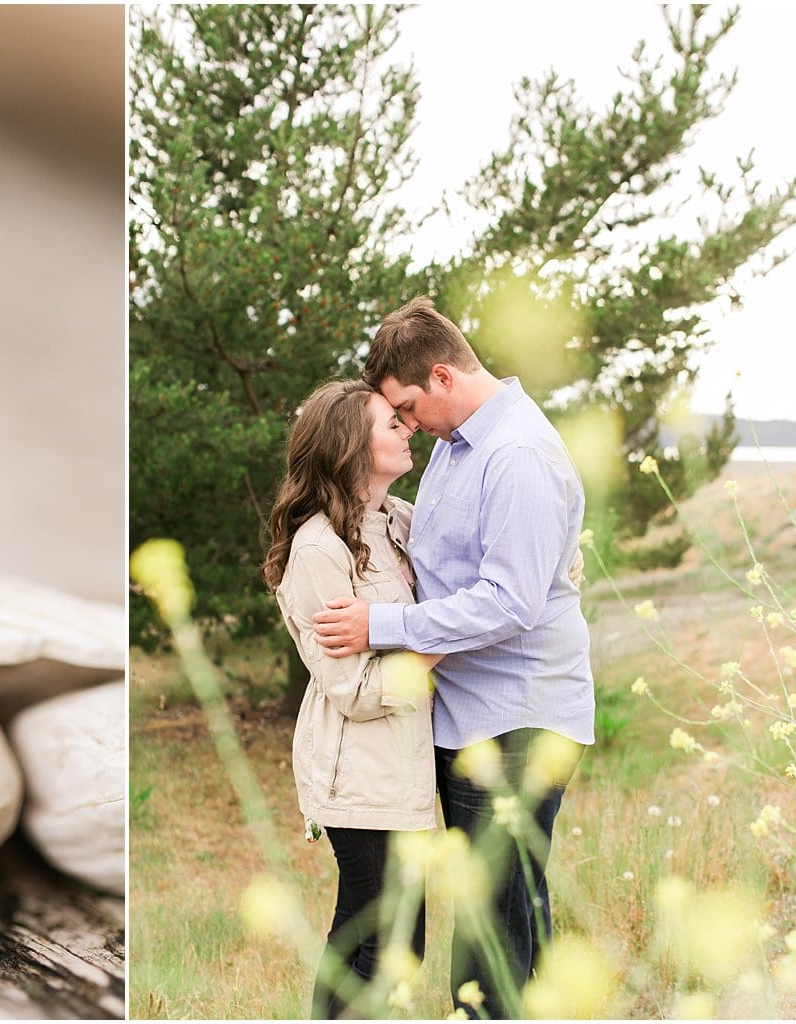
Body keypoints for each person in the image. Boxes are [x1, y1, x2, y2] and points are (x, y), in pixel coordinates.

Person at [312, 297, 593, 1019]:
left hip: (516, 718)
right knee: (495, 909)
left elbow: (508, 602)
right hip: (467, 718)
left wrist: (383, 624)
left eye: (407, 406)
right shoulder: (458, 446)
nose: (406, 424)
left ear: (441, 376)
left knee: (495, 922)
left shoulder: (517, 454)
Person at [264, 379, 439, 1019]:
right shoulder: (318, 549)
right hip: (358, 766)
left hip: (402, 762)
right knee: (375, 937)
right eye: (390, 421)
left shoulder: (396, 521)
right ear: (349, 445)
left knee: (402, 944)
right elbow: (357, 690)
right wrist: (447, 637)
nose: (407, 428)